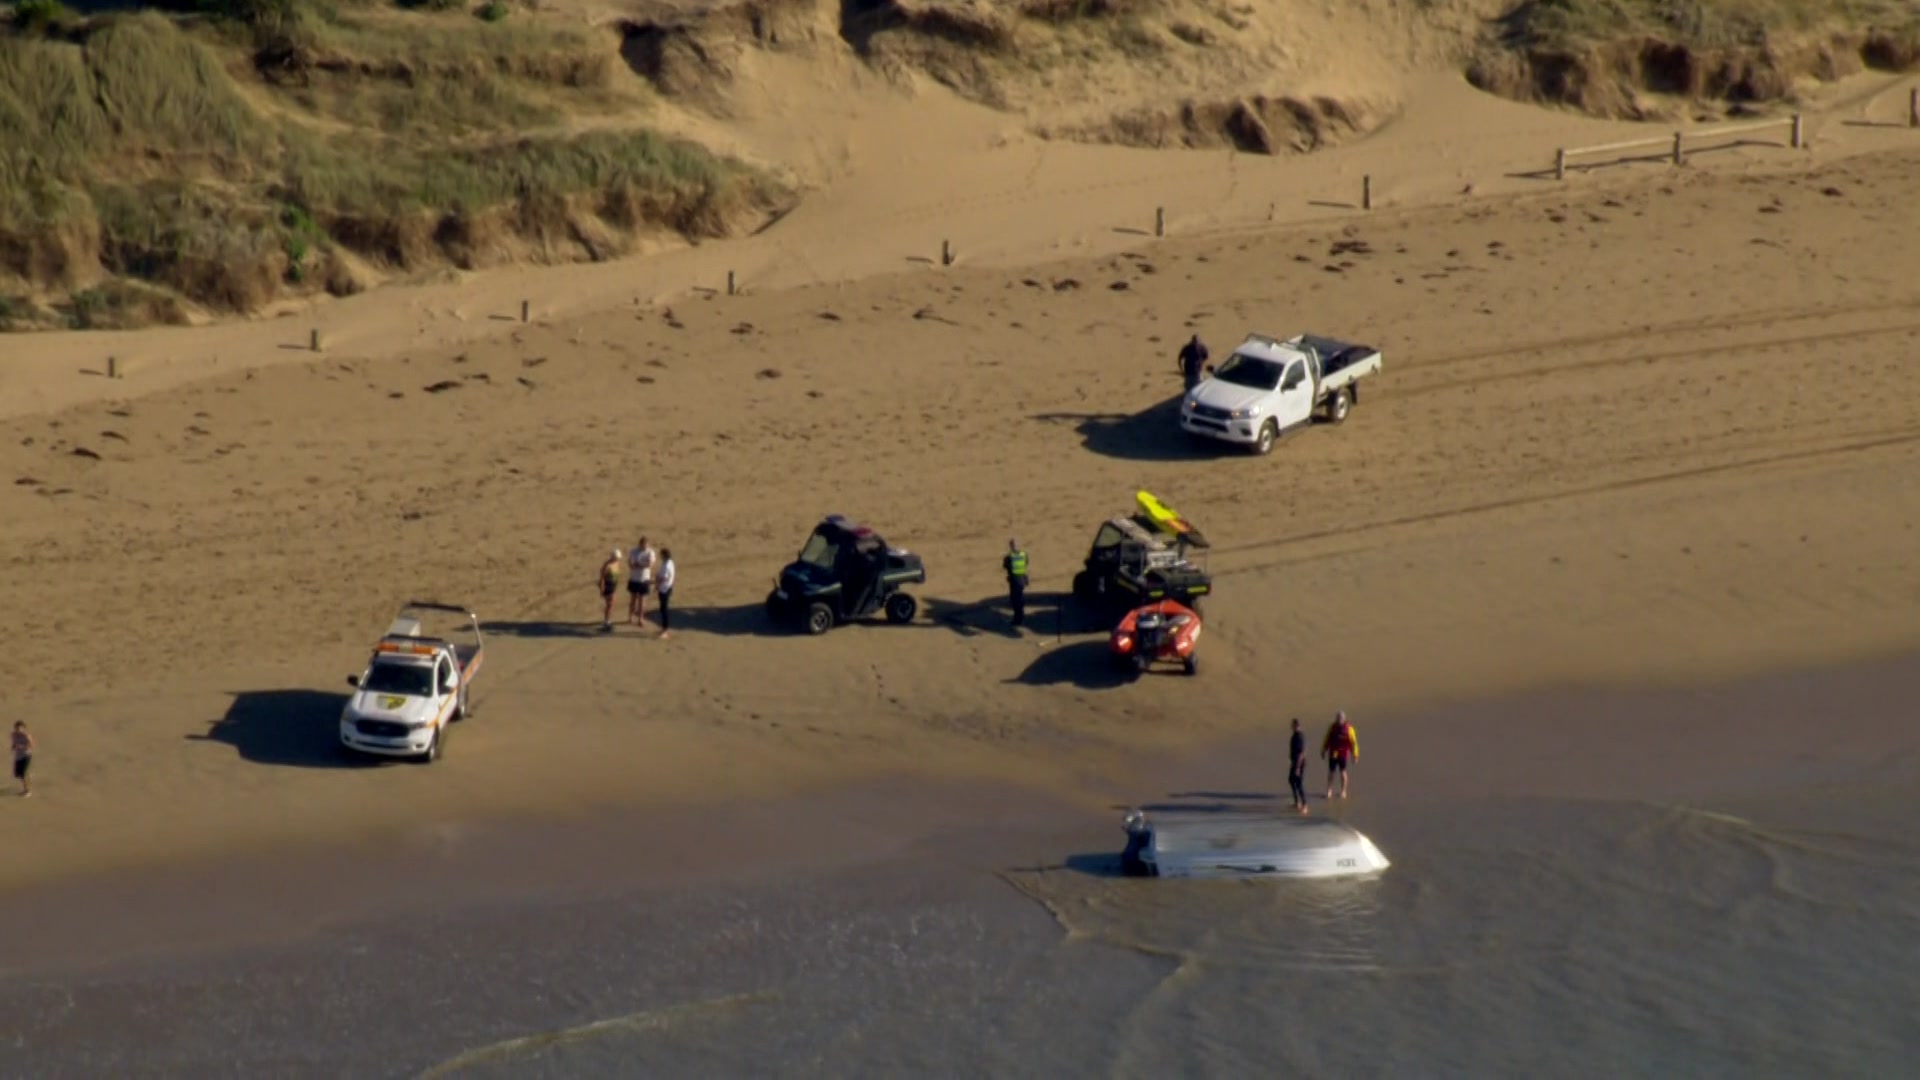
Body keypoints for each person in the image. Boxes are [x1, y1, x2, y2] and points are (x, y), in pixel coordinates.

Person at [1322, 710, 1359, 799]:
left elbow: (1354, 743)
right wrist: (1323, 750)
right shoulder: (1332, 727)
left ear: (1344, 719)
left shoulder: (1349, 729)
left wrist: (1355, 755)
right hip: (1333, 753)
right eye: (1337, 718)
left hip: (1342, 753)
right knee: (1331, 772)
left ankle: (1343, 791)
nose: (1338, 720)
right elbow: (1326, 738)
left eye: (1340, 718)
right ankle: (1329, 790)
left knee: (1343, 772)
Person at [626, 536, 656, 626]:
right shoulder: (634, 551)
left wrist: (638, 565)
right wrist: (642, 565)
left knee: (642, 601)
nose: (644, 547)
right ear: (640, 544)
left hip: (644, 579)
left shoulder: (650, 552)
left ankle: (640, 619)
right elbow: (630, 564)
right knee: (633, 600)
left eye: (646, 545)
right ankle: (630, 617)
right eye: (643, 545)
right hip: (634, 579)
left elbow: (650, 564)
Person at [1002, 538, 1029, 628]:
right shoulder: (1024, 554)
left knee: (1015, 600)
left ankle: (1017, 619)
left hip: (1014, 580)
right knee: (1020, 599)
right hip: (1022, 579)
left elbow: (1005, 566)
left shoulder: (1009, 557)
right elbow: (1026, 563)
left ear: (1011, 546)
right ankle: (1020, 617)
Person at [597, 548, 623, 631]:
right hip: (607, 586)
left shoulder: (617, 563)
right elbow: (602, 578)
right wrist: (601, 588)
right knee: (610, 604)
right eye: (616, 557)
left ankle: (607, 620)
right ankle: (607, 622)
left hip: (613, 586)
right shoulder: (607, 565)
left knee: (610, 604)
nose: (617, 559)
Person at [654, 547, 676, 640]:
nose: (660, 556)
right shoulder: (668, 563)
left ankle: (665, 630)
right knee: (663, 609)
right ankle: (664, 629)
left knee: (664, 610)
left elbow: (665, 578)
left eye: (661, 555)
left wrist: (656, 582)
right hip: (664, 588)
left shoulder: (667, 565)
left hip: (665, 589)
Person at [1288, 718, 1308, 813]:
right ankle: (1297, 802)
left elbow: (1301, 753)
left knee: (1299, 784)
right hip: (1294, 762)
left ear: (1296, 725)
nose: (1291, 726)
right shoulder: (1295, 735)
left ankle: (1305, 805)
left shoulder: (1299, 736)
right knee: (1291, 780)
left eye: (1292, 725)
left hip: (1299, 763)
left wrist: (1298, 768)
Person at [11, 721, 32, 798]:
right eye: (17, 728)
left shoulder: (26, 736)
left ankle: (27, 791)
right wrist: (13, 746)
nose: (18, 730)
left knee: (23, 774)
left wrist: (21, 747)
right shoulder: (13, 735)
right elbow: (14, 743)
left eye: (20, 728)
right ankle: (27, 778)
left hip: (26, 755)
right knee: (17, 774)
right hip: (18, 756)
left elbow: (31, 745)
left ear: (24, 728)